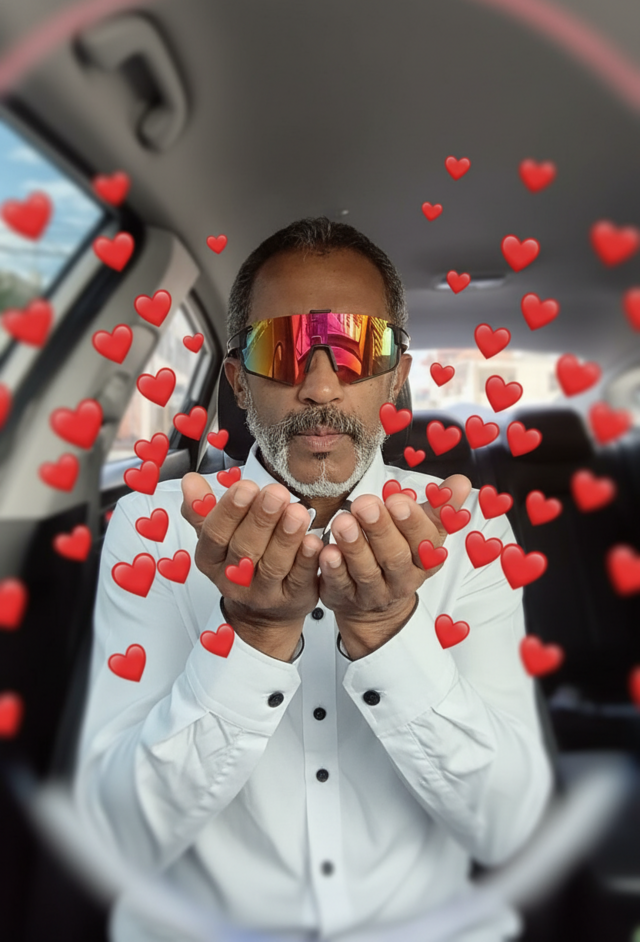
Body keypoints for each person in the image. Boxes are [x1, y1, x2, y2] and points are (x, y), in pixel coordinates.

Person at [73, 217, 554, 942]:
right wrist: (254, 638)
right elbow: (117, 841)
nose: (321, 386)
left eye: (358, 347)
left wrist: (387, 634)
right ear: (239, 380)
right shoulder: (152, 528)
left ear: (397, 377)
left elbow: (506, 826)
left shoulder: (472, 530)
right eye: (282, 348)